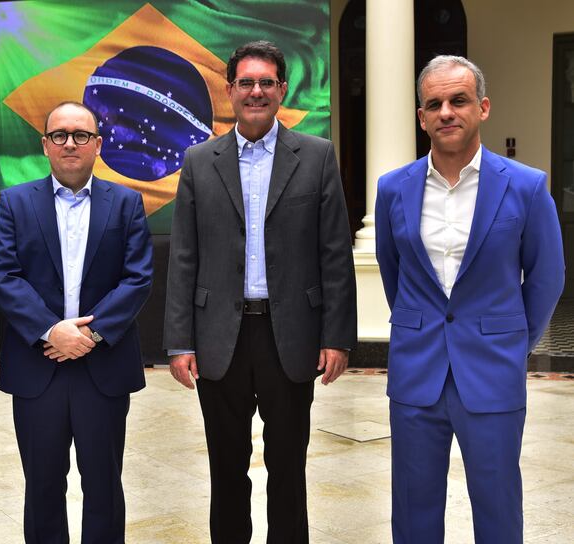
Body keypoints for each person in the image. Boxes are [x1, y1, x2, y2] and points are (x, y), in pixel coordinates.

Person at [163, 40, 357, 542]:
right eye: (246, 82)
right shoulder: (199, 161)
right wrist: (180, 342)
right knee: (226, 468)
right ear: (229, 90)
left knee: (288, 467)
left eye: (266, 82)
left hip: (289, 335)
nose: (256, 92)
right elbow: (184, 257)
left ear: (282, 90)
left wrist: (337, 337)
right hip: (218, 337)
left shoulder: (316, 156)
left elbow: (334, 253)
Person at [375, 55, 565, 543]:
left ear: (482, 107)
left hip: (492, 371)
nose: (446, 112)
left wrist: (512, 343)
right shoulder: (393, 189)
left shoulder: (526, 186)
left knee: (498, 507)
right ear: (421, 117)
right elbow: (394, 274)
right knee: (413, 511)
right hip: (416, 373)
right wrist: (420, 327)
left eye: (458, 100)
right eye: (434, 104)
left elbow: (546, 277)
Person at [0, 101, 153, 543]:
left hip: (103, 368)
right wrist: (52, 330)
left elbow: (137, 278)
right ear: (45, 145)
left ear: (97, 145)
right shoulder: (16, 202)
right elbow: (4, 276)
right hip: (37, 367)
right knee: (42, 487)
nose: (70, 144)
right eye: (59, 135)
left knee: (104, 486)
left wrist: (90, 334)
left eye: (81, 135)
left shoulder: (126, 203)